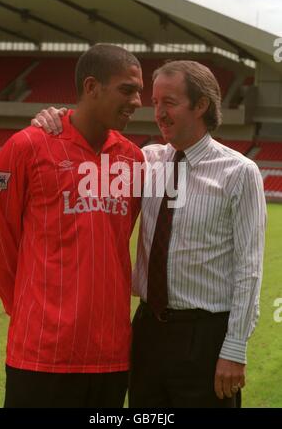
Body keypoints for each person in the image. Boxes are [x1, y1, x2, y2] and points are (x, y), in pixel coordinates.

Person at [31, 60, 266, 408]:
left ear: (200, 105)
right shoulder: (144, 162)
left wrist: (234, 349)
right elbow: (87, 151)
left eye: (168, 102)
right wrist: (56, 119)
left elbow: (249, 268)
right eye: (155, 103)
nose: (158, 113)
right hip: (146, 332)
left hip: (204, 336)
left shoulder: (239, 172)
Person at [0, 44, 144, 408]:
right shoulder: (26, 147)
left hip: (111, 355)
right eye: (127, 90)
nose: (137, 101)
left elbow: (118, 239)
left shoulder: (133, 160)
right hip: (41, 351)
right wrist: (30, 310)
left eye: (139, 92)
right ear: (92, 87)